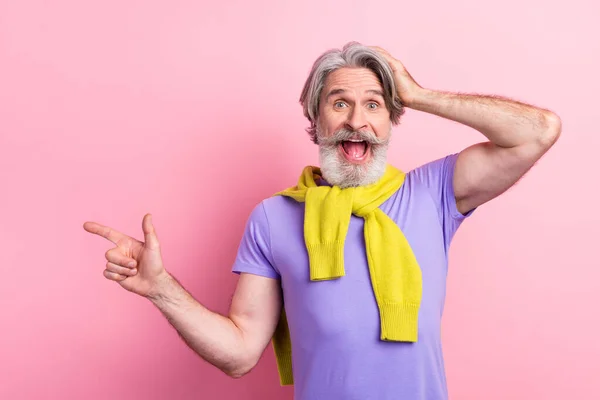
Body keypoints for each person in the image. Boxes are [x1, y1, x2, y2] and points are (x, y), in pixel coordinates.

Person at [83, 42, 561, 400]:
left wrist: (418, 93)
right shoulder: (274, 218)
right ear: (317, 117)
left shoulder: (431, 193)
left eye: (374, 104)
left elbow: (537, 132)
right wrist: (161, 287)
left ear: (393, 120)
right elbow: (241, 351)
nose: (357, 120)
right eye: (339, 103)